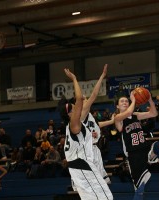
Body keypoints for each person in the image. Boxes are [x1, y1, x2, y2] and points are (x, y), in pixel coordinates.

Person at [58, 68, 113, 200]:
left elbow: (90, 97)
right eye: (73, 107)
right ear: (70, 113)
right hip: (82, 165)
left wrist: (102, 76)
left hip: (80, 165)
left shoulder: (73, 125)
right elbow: (81, 98)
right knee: (106, 198)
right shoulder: (75, 123)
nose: (77, 106)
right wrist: (74, 79)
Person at [114, 90, 159, 200]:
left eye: (126, 101)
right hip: (133, 155)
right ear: (117, 106)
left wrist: (150, 99)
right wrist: (133, 101)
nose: (125, 102)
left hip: (145, 148)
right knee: (140, 190)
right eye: (122, 101)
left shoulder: (136, 115)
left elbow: (154, 113)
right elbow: (127, 113)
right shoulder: (117, 118)